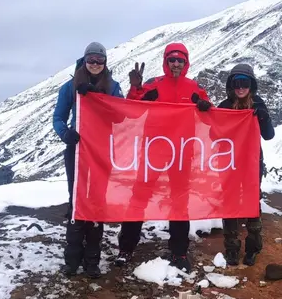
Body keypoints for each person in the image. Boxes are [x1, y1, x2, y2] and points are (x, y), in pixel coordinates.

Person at [116, 42, 211, 273]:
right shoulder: (154, 85)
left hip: (181, 153)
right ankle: (126, 249)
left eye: (180, 60)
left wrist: (206, 107)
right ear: (165, 61)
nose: (176, 64)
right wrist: (135, 87)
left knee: (180, 201)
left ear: (186, 62)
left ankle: (179, 252)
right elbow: (133, 109)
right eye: (172, 60)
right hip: (154, 151)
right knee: (139, 197)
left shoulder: (194, 88)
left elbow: (210, 117)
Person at [52, 41, 123, 278]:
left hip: (102, 150)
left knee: (97, 200)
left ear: (105, 63)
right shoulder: (70, 86)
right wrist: (66, 134)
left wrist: (101, 99)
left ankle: (92, 260)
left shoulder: (112, 87)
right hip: (78, 149)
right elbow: (58, 117)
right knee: (77, 199)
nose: (95, 64)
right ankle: (72, 260)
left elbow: (121, 115)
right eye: (91, 60)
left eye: (99, 60)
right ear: (85, 60)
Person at [216, 63, 274, 266]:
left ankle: (252, 248)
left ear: (252, 85)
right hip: (229, 164)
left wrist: (264, 117)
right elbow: (214, 136)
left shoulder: (258, 104)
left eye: (245, 83)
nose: (241, 87)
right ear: (231, 85)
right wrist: (207, 114)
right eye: (236, 83)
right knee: (229, 204)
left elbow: (268, 135)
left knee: (252, 204)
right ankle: (231, 249)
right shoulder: (223, 106)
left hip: (251, 163)